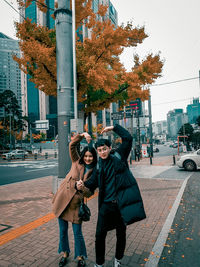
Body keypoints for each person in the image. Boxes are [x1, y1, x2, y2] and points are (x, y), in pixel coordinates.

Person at [77, 124, 146, 267]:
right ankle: (99, 263)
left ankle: (117, 260)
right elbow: (91, 184)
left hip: (120, 204)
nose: (102, 152)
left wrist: (113, 127)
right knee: (99, 235)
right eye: (99, 150)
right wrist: (80, 185)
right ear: (97, 151)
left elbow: (128, 138)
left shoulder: (119, 156)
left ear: (109, 148)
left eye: (104, 149)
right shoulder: (98, 166)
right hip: (106, 206)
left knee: (121, 233)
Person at [52, 132, 97, 267]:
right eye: (86, 156)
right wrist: (82, 135)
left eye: (90, 156)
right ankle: (65, 253)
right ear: (83, 156)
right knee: (63, 231)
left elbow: (89, 193)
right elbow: (72, 145)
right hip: (63, 201)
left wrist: (82, 188)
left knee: (78, 233)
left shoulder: (95, 172)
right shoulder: (76, 161)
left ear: (94, 158)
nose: (88, 158)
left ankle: (80, 256)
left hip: (76, 206)